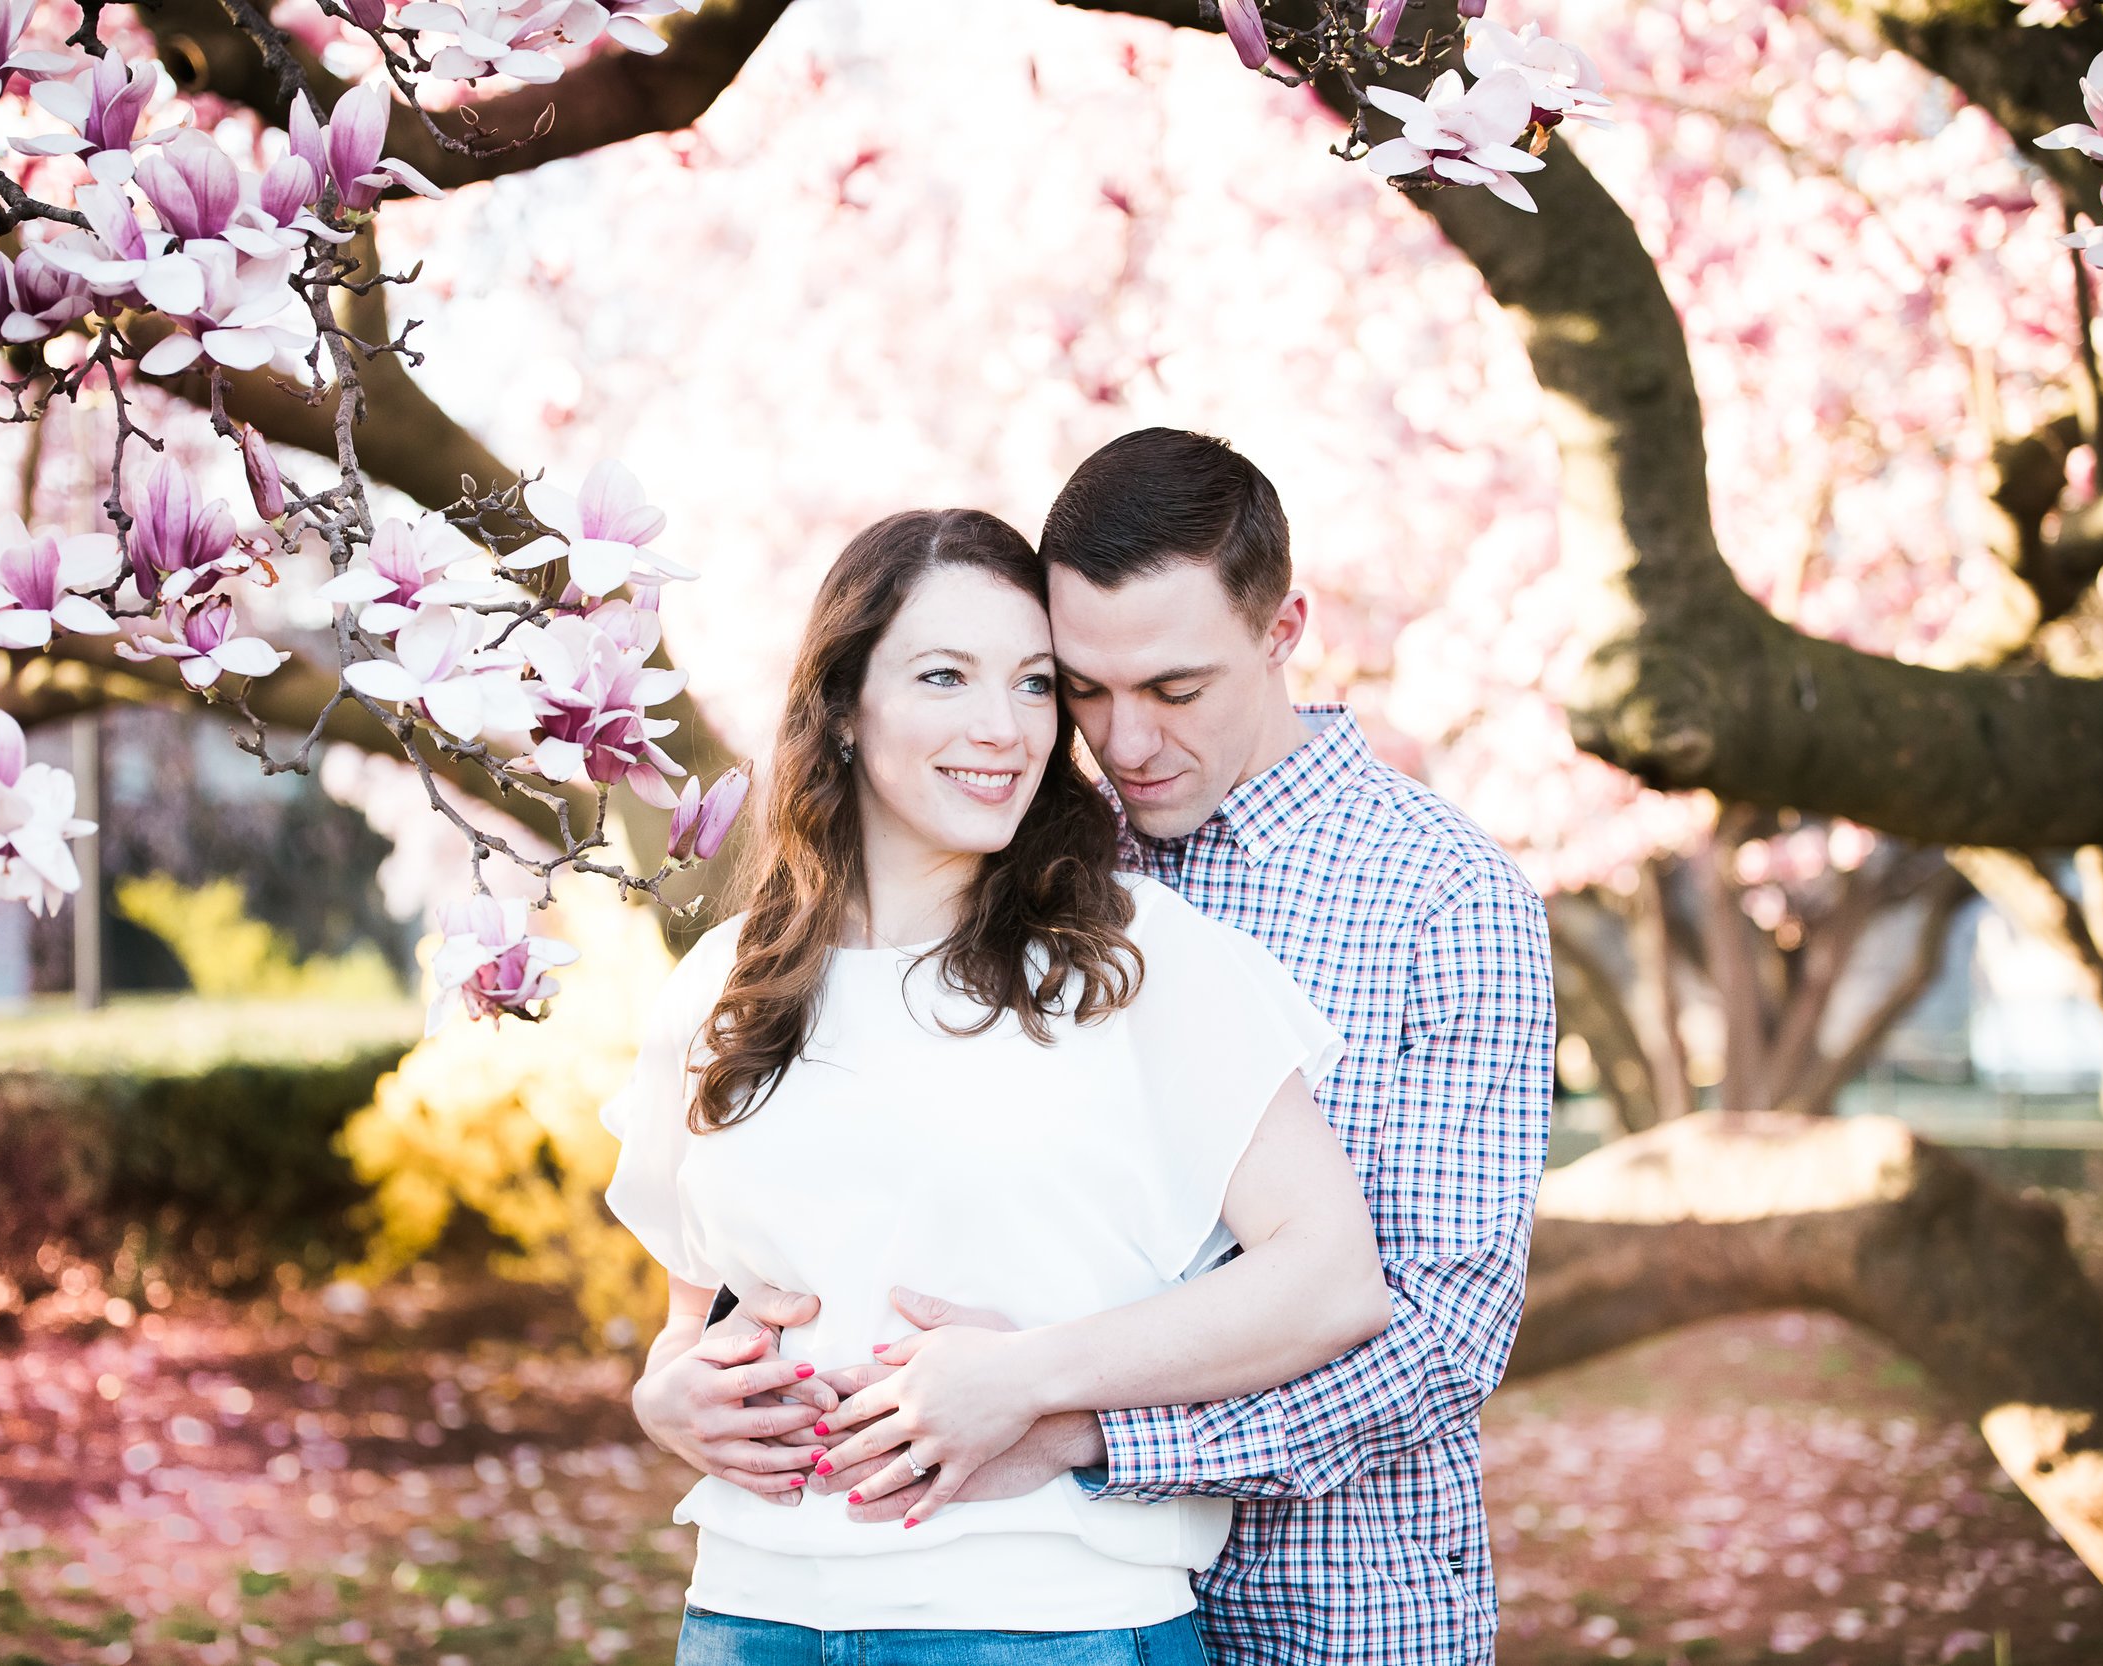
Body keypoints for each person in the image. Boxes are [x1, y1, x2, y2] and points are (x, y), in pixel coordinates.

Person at [663, 430, 1557, 1665]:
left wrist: (1074, 1423)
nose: (1123, 743)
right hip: (1009, 1573)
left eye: (1176, 690)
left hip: (1334, 1600)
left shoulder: (1439, 898)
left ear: (1283, 627)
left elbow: (1436, 1330)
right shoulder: (1008, 857)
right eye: (1079, 687)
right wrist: (681, 1382)